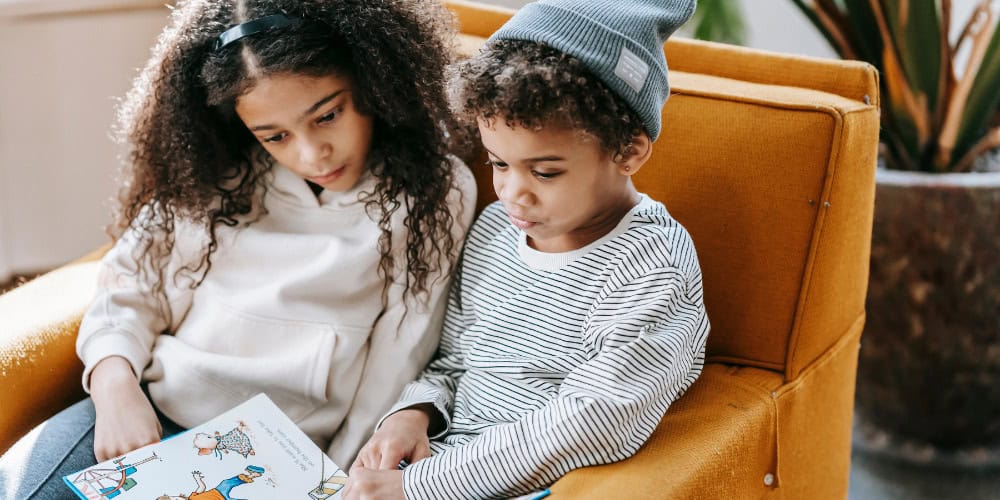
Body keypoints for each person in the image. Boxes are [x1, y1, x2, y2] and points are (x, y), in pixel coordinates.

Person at [0, 0, 475, 497]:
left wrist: (335, 481)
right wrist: (115, 387)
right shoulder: (217, 169)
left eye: (328, 115)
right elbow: (129, 288)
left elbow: (400, 353)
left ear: (373, 78)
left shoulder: (435, 190)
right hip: (149, 412)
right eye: (275, 136)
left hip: (277, 457)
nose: (311, 154)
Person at [345, 1, 709, 498]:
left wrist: (416, 489)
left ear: (628, 151)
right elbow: (455, 359)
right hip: (435, 465)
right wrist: (413, 414)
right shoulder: (497, 228)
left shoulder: (652, 264)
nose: (513, 193)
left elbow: (594, 420)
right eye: (498, 163)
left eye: (545, 172)